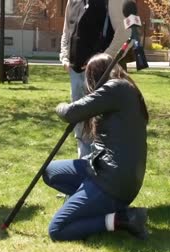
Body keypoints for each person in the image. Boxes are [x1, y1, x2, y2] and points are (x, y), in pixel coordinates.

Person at [42, 53, 149, 241]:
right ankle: (89, 203)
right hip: (102, 169)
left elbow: (70, 113)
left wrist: (59, 106)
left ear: (94, 76)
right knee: (50, 171)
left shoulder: (115, 88)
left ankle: (120, 219)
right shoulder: (125, 89)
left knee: (57, 229)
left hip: (112, 181)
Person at [60, 0, 131, 158]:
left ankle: (100, 168)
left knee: (99, 124)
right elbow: (67, 31)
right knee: (80, 124)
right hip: (75, 71)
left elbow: (125, 34)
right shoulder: (73, 1)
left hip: (101, 74)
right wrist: (64, 57)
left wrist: (103, 60)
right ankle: (84, 163)